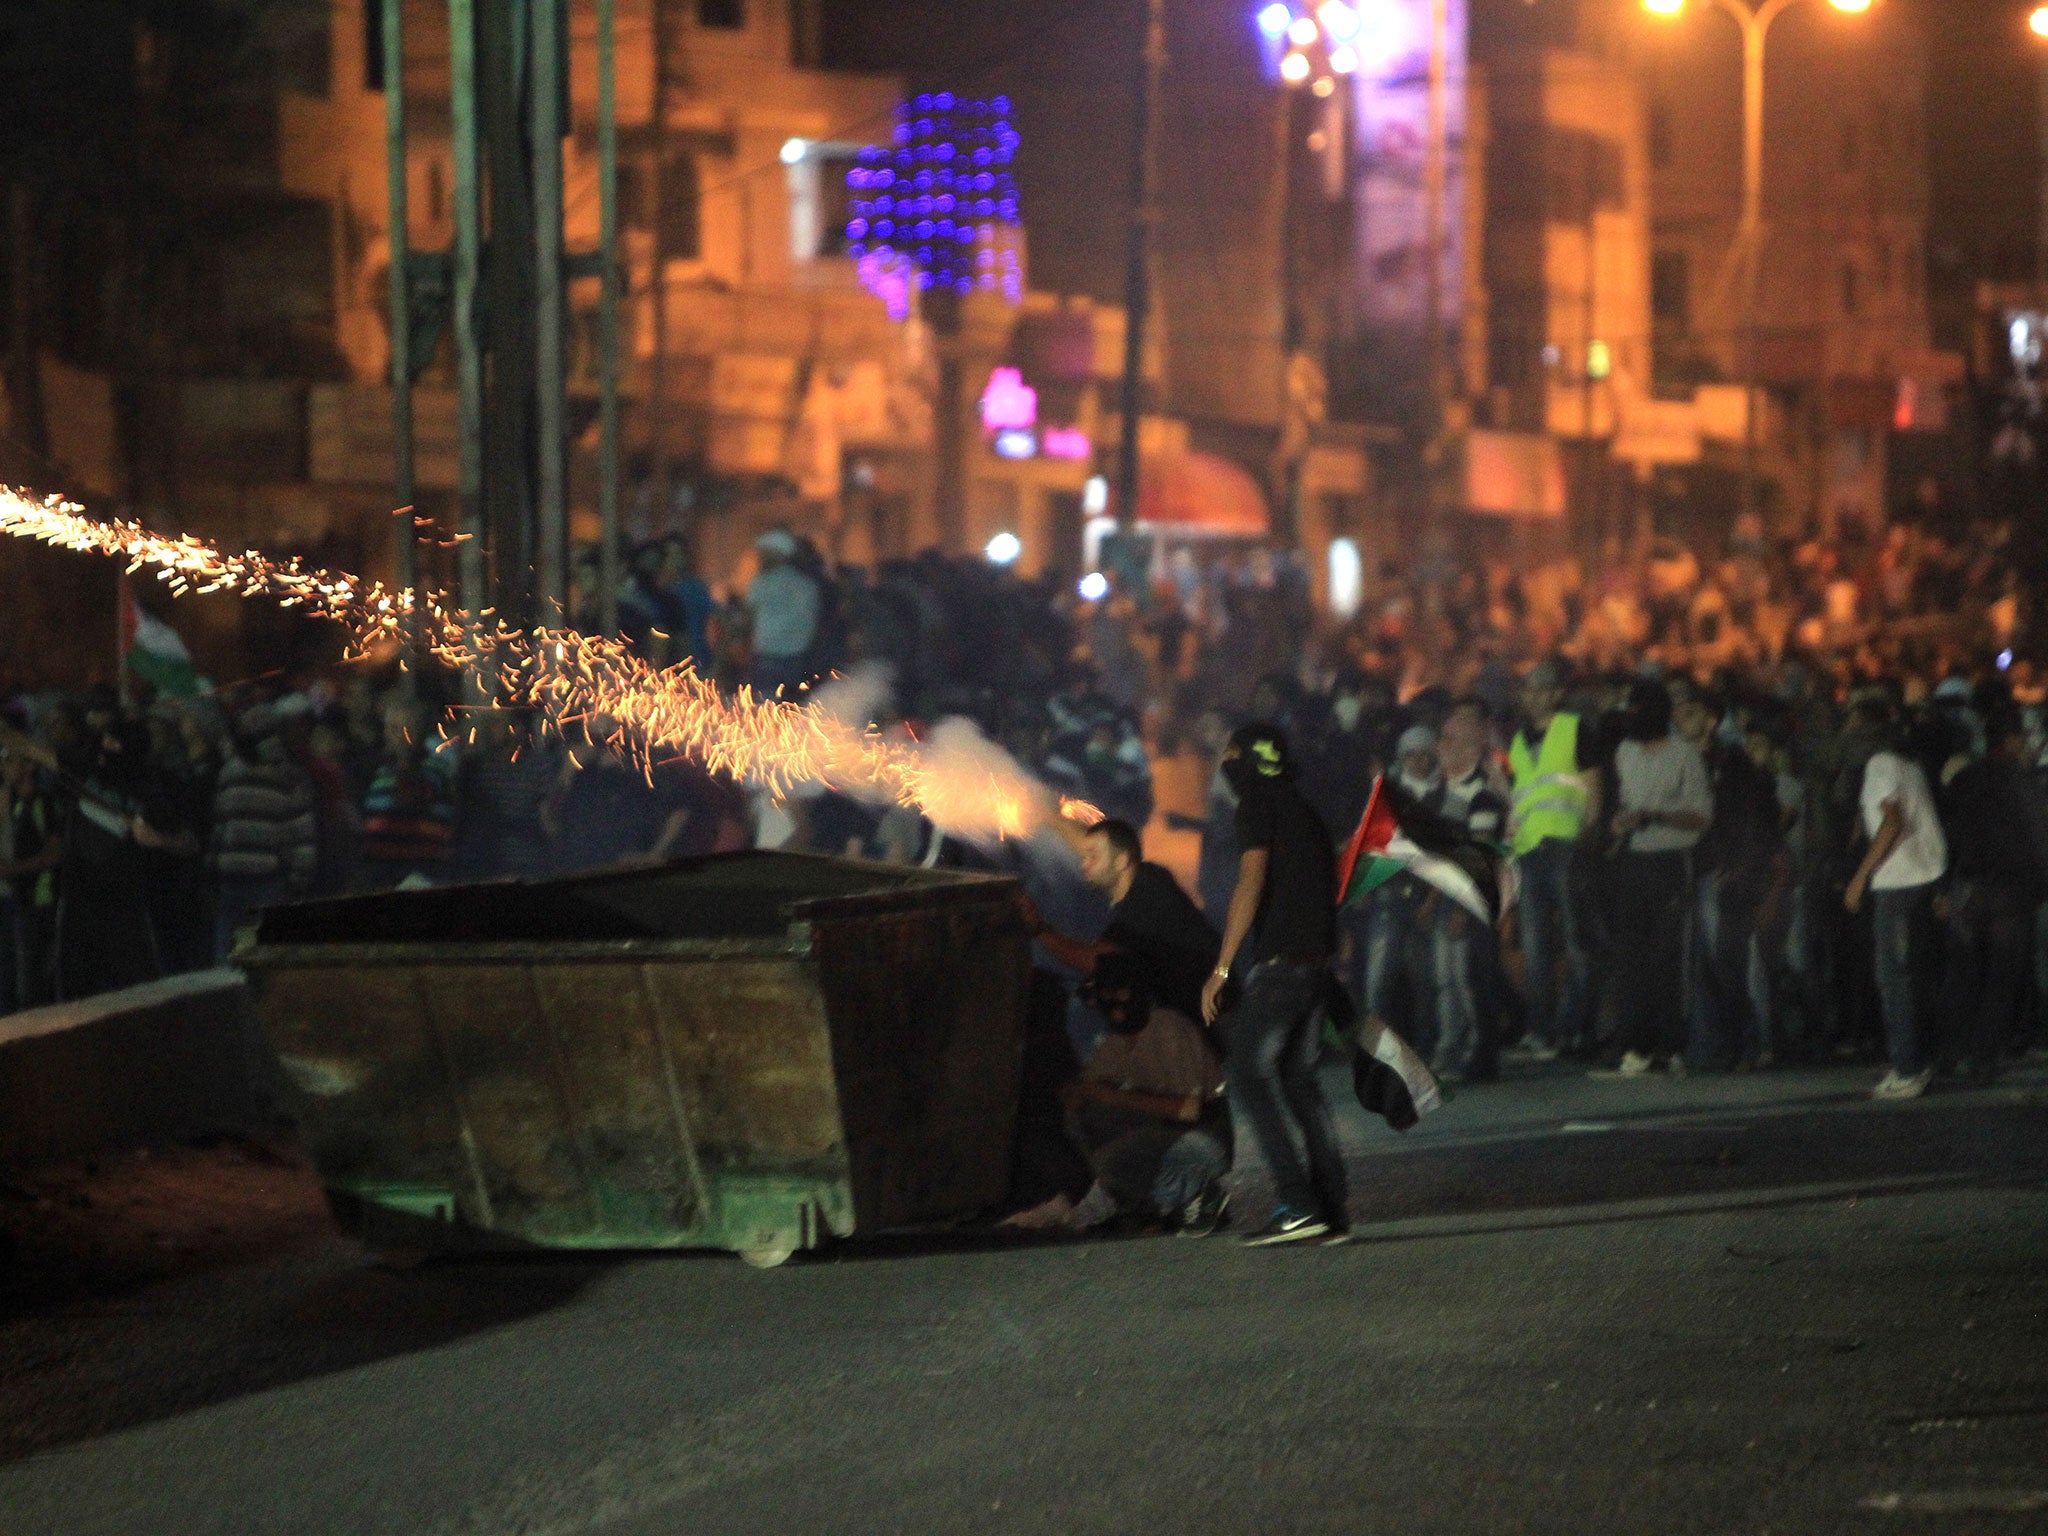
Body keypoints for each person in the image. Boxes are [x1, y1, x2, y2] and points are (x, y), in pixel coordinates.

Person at [1202, 723, 1349, 1247]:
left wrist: (1222, 968)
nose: (1223, 764)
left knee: (1244, 1072)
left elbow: (1251, 880)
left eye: (1228, 753)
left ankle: (1297, 1203)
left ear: (1241, 758)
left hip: (1283, 965)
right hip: (1315, 963)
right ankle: (1330, 1210)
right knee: (1297, 1081)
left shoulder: (1257, 806)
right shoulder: (1304, 810)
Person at [1603, 679, 1712, 1077]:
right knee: (1633, 957)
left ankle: (1673, 1045)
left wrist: (1656, 816)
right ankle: (1637, 1043)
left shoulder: (1684, 755)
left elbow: (1701, 816)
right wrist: (1621, 822)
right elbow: (1623, 805)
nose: (1632, 717)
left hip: (1671, 862)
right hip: (1634, 862)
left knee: (1669, 957)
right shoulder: (1625, 752)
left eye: (1638, 709)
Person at [1937, 705, 2048, 1085]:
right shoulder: (2022, 781)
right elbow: (2038, 837)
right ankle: (1983, 1059)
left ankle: (1948, 1054)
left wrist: (1945, 885)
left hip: (1969, 887)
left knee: (1964, 973)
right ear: (2012, 739)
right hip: (2011, 892)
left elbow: (1948, 835)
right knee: (2002, 977)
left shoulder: (1965, 778)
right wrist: (2040, 886)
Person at [1843, 698, 1948, 1100]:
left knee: (1894, 980)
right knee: (1915, 978)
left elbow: (1893, 820)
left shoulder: (1880, 764)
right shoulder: (1909, 765)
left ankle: (1908, 1067)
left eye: (1852, 718)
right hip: (1923, 877)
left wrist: (1860, 876)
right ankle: (1919, 1060)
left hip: (1899, 881)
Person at [1679, 690, 1787, 1071]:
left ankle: (1753, 1042)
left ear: (1711, 721)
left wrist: (1737, 865)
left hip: (1723, 873)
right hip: (1698, 870)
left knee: (1735, 960)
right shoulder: (1687, 760)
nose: (1680, 717)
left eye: (1690, 711)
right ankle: (1716, 1044)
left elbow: (1748, 816)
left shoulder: (1732, 763)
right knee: (1705, 962)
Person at [1506, 659, 1597, 1058]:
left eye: (1544, 688)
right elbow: (1521, 796)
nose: (1536, 695)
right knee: (1536, 947)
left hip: (1566, 845)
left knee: (1577, 941)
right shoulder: (1516, 742)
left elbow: (1594, 788)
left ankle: (1577, 1028)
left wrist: (1587, 839)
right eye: (1530, 688)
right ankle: (1543, 1031)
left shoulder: (1575, 730)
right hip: (1530, 850)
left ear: (1559, 694)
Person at [1429, 699, 1510, 1083]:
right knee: (1449, 980)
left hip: (1467, 900)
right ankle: (1454, 1049)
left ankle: (1479, 1055)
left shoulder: (1481, 795)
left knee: (1470, 980)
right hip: (1449, 896)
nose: (1441, 747)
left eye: (1449, 740)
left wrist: (1462, 905)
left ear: (1470, 748)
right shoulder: (1448, 792)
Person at [208, 699, 319, 958]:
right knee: (264, 956)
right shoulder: (289, 777)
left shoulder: (232, 772)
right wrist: (298, 881)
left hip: (239, 881)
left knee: (229, 956)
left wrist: (212, 869)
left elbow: (220, 828)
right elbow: (303, 836)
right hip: (265, 881)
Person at [0, 743, 62, 1010]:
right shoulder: (16, 804)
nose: (4, 767)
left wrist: (10, 871)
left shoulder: (43, 802)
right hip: (22, 900)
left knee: (33, 982)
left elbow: (54, 854)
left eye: (11, 761)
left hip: (41, 900)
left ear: (29, 766)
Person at [746, 528, 822, 699]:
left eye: (765, 552)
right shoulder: (806, 584)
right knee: (795, 712)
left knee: (766, 712)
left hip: (767, 660)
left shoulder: (761, 582)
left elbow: (748, 617)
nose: (760, 556)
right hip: (799, 659)